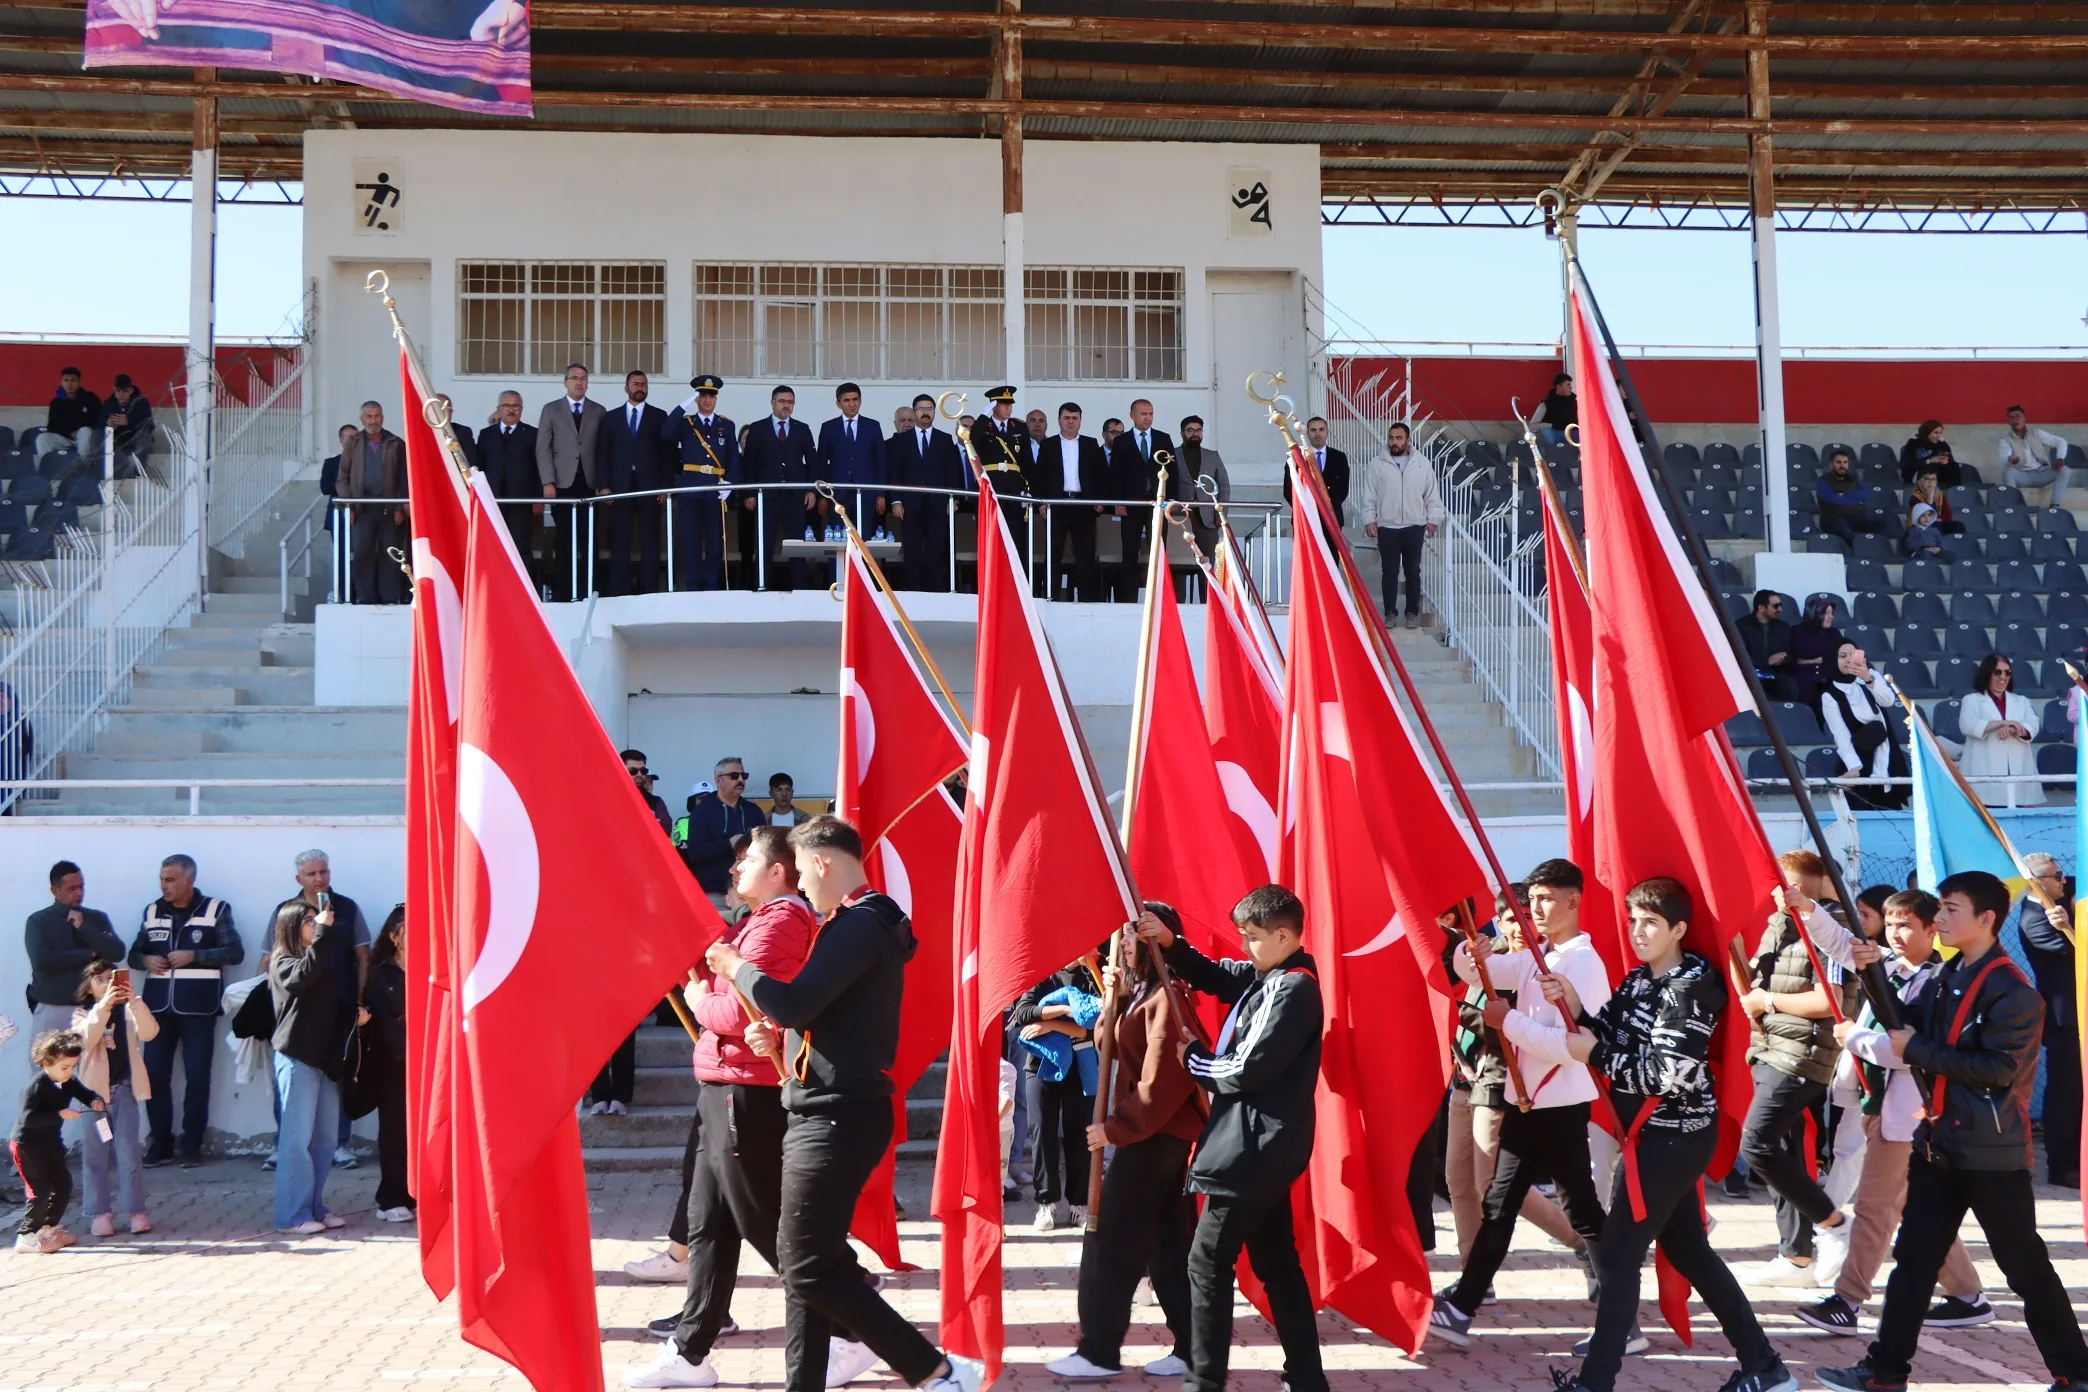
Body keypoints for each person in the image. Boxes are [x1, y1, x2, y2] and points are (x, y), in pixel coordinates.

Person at [702, 816, 984, 1392]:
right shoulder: (856, 923)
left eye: (803, 872)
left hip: (837, 1112)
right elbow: (824, 1016)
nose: (801, 886)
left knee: (804, 1263)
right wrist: (780, 1038)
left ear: (823, 863)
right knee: (812, 1262)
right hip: (827, 1103)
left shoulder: (859, 925)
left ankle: (931, 1369)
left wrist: (736, 969)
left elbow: (797, 1000)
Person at [1819, 871, 2088, 1392]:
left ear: (1986, 919)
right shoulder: (1945, 976)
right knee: (1914, 1262)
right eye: (1938, 909)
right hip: (1939, 1143)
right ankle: (1884, 1371)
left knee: (2025, 1268)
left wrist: (1911, 1048)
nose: (1938, 919)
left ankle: (2077, 1373)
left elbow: (1995, 1069)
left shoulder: (2013, 991)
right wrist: (1875, 975)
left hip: (1991, 1152)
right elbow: (1905, 1019)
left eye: (1949, 909)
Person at [1537, 879, 1798, 1392]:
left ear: (1678, 929)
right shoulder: (1639, 980)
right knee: (1690, 1253)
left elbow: (1665, 1073)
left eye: (1651, 922)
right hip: (1650, 1137)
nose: (1638, 932)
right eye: (1633, 920)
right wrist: (1576, 1006)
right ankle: (1765, 1367)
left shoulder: (1692, 986)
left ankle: (1596, 1382)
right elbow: (1608, 1032)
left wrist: (1595, 1055)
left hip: (1673, 1138)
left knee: (1616, 1254)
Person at [624, 827, 821, 1389]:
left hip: (750, 1089)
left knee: (764, 1221)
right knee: (708, 1223)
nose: (735, 870)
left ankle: (850, 1321)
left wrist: (695, 999)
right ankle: (691, 1353)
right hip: (724, 1083)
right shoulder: (755, 921)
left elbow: (740, 1011)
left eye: (748, 861)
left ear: (779, 871)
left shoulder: (782, 921)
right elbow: (718, 971)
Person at [1131, 886, 1327, 1392]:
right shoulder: (1269, 975)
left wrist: (1195, 1060)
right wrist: (1169, 941)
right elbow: (1215, 974)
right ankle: (1306, 1377)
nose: (1245, 946)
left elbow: (1249, 1067)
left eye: (1253, 937)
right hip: (1257, 1145)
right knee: (1276, 1263)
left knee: (1206, 1264)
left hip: (1252, 1149)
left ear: (1284, 936)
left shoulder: (1293, 987)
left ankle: (1203, 1380)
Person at [1786, 888, 1992, 1336]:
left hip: (1909, 1112)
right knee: (1911, 1207)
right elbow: (1842, 943)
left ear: (1930, 929)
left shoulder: (1936, 982)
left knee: (1875, 1207)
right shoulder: (1891, 966)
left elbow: (1909, 1051)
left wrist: (1853, 1039)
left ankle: (1847, 1299)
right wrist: (1808, 910)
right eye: (1891, 924)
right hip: (1880, 1104)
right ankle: (1967, 1295)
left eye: (1906, 926)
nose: (1895, 934)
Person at [1431, 860, 1611, 1351]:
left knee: (1583, 1211)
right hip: (1527, 1104)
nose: (1536, 907)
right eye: (1531, 898)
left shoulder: (1582, 962)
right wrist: (1475, 951)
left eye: (1548, 897)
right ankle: (1463, 1304)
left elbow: (1578, 1045)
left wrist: (1507, 1021)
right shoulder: (1539, 953)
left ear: (1574, 901)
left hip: (1560, 1104)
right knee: (1500, 1204)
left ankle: (1621, 1319)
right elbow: (1478, 971)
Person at [1044, 904, 1199, 1382]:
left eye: (1134, 934)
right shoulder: (1142, 993)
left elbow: (1164, 1079)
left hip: (1156, 1134)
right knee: (1169, 1242)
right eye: (1123, 935)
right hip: (1155, 1133)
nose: (1126, 943)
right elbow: (1107, 1041)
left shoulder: (1169, 995)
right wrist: (1111, 999)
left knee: (1111, 1233)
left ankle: (1099, 1350)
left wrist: (1116, 1128)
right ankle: (1194, 1346)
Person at [1441, 891, 1586, 1266]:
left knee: (1494, 1183)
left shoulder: (1543, 964)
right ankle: (1472, 1269)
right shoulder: (1485, 955)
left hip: (1503, 1081)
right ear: (1498, 922)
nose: (1520, 928)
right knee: (1459, 1181)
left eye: (1528, 917)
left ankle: (1581, 1240)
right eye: (1511, 919)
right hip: (1465, 1076)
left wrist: (1456, 1011)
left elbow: (1507, 1025)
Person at [1739, 850, 1854, 1288]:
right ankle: (1795, 1254)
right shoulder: (1778, 923)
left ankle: (1833, 1224)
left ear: (1799, 889)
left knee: (1758, 1144)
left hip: (1802, 1056)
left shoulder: (1832, 929)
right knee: (1782, 1154)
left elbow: (1831, 1001)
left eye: (1778, 884)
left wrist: (1767, 1001)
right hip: (1771, 1048)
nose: (1770, 893)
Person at [129, 853, 242, 1169]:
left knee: (196, 1076)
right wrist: (145, 961)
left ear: (190, 881)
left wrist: (195, 955)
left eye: (171, 879)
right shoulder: (152, 911)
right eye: (162, 878)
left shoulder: (216, 909)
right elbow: (134, 953)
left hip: (199, 1007)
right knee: (153, 1076)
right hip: (157, 1010)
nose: (164, 885)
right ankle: (160, 1143)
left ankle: (192, 1144)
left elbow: (234, 952)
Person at [267, 898, 362, 1235]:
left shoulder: (320, 962)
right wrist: (323, 931)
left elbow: (332, 1001)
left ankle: (314, 1208)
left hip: (323, 1063)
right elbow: (302, 977)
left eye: (316, 920)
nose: (316, 924)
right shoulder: (283, 963)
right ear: (292, 927)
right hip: (297, 1060)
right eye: (308, 920)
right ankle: (292, 1216)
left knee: (323, 1142)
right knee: (296, 1141)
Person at [274, 849, 372, 1167]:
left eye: (323, 872)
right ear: (298, 878)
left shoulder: (346, 908)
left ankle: (339, 1144)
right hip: (298, 1014)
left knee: (337, 1074)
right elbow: (271, 957)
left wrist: (359, 998)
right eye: (312, 873)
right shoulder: (287, 912)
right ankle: (283, 1146)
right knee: (293, 1080)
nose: (319, 879)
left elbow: (362, 957)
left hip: (340, 1007)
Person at [1009, 957, 1101, 1231]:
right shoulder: (1042, 972)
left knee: (1080, 1134)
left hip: (1081, 1065)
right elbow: (1023, 1013)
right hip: (1040, 1065)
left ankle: (1078, 1205)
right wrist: (1063, 1008)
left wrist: (1050, 1024)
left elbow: (1092, 1024)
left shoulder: (1090, 976)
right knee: (1042, 1132)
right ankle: (1046, 1203)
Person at [73, 959, 157, 1237]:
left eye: (112, 979)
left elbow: (150, 1032)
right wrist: (104, 1006)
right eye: (100, 981)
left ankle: (136, 1211)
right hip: (93, 1097)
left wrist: (135, 1002)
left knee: (129, 1153)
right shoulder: (82, 1013)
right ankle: (100, 1213)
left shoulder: (128, 1013)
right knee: (96, 1156)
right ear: (88, 988)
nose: (108, 986)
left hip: (124, 1091)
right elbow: (85, 1039)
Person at [2017, 853, 2079, 1188]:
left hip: (2076, 1015)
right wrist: (2068, 923)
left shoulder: (2055, 912)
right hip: (2063, 1018)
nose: (2064, 881)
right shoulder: (2035, 919)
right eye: (2057, 876)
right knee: (2065, 1094)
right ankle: (2062, 1165)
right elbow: (2076, 949)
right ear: (2038, 882)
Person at [11, 1030, 102, 1253]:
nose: (70, 1072)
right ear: (46, 1062)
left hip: (50, 1141)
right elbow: (28, 1119)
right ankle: (26, 1236)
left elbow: (83, 1092)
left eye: (73, 1066)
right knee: (39, 1189)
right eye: (65, 1067)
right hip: (28, 1145)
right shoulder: (36, 1087)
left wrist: (95, 1100)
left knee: (63, 1184)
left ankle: (48, 1229)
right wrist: (60, 1114)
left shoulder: (67, 1080)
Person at [1355, 422, 1445, 629]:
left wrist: (1433, 519)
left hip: (1414, 526)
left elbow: (1432, 495)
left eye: (1399, 438)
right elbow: (1369, 496)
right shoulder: (1377, 464)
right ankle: (1390, 613)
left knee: (1413, 571)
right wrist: (1369, 520)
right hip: (1387, 526)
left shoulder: (1422, 464)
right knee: (1389, 572)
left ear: (1408, 440)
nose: (1394, 442)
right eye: (1391, 438)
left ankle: (1412, 612)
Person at [26, 859, 126, 1036]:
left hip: (93, 1011)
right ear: (55, 891)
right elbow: (43, 961)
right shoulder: (39, 921)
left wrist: (83, 928)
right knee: (46, 1063)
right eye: (72, 889)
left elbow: (117, 952)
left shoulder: (96, 919)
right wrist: (90, 953)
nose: (79, 893)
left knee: (95, 1063)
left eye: (81, 887)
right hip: (53, 1008)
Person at [597, 369, 672, 597]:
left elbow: (667, 455)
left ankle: (649, 587)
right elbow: (603, 453)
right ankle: (621, 588)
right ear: (626, 388)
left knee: (650, 538)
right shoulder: (610, 418)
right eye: (636, 383)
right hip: (619, 486)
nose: (640, 387)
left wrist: (665, 486)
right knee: (620, 538)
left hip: (650, 486)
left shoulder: (660, 417)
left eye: (644, 384)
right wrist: (604, 485)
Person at [740, 385, 821, 591]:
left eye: (790, 402)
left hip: (795, 497)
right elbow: (749, 464)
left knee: (797, 545)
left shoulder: (802, 428)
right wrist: (749, 492)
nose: (786, 406)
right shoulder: (758, 428)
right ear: (773, 403)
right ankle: (761, 587)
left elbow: (813, 462)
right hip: (766, 496)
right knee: (764, 544)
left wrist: (811, 489)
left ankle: (800, 589)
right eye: (782, 401)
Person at [536, 363, 606, 601]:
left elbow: (604, 449)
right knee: (564, 540)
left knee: (589, 540)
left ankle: (590, 591)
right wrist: (548, 481)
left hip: (590, 484)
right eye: (574, 378)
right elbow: (542, 448)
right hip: (562, 485)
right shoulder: (551, 410)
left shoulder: (599, 410)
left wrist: (603, 481)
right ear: (565, 382)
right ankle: (563, 592)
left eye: (583, 378)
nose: (579, 382)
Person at [663, 376, 739, 592]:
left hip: (715, 489)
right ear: (697, 399)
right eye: (703, 396)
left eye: (711, 396)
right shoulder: (686, 424)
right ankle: (693, 585)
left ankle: (711, 584)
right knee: (691, 541)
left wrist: (730, 483)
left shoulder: (727, 425)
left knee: (716, 542)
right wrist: (681, 407)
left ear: (716, 399)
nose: (707, 400)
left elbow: (734, 457)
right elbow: (666, 433)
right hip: (691, 488)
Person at [887, 394, 964, 592]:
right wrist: (895, 500)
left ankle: (935, 595)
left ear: (934, 413)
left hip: (938, 505)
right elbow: (895, 471)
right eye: (921, 408)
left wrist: (952, 499)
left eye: (929, 409)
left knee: (935, 553)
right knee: (911, 552)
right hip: (910, 506)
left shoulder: (944, 440)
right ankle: (912, 595)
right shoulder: (901, 440)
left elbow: (953, 472)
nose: (925, 412)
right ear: (914, 412)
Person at [366, 905, 414, 1222]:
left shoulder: (434, 969)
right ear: (395, 937)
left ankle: (416, 1193)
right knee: (395, 1130)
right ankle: (391, 1197)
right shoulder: (381, 975)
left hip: (429, 1065)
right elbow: (381, 1023)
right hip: (395, 1063)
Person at [1820, 642, 1909, 811]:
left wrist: (1868, 679)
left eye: (1852, 654)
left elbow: (1888, 701)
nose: (1848, 660)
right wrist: (1854, 767)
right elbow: (1841, 734)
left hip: (1886, 754)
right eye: (1842, 656)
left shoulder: (1871, 676)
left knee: (1891, 810)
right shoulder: (1830, 695)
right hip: (1858, 759)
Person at [1035, 402, 1109, 603]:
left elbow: (1100, 475)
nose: (1070, 422)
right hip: (1056, 505)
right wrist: (1041, 502)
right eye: (1067, 418)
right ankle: (1050, 596)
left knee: (1085, 554)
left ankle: (1085, 599)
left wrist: (1099, 500)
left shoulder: (1090, 444)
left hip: (1083, 505)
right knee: (1053, 553)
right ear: (1059, 420)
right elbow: (1040, 476)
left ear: (1080, 420)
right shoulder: (1048, 445)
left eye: (1074, 418)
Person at [1105, 400, 1174, 604]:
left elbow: (1173, 472)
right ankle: (1129, 598)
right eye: (1143, 414)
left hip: (1157, 504)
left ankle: (1159, 597)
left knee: (1158, 549)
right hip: (1131, 505)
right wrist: (1118, 502)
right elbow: (1115, 475)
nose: (1148, 418)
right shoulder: (1122, 441)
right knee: (1130, 551)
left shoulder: (1163, 438)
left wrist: (1170, 502)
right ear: (1132, 415)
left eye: (1151, 413)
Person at [340, 400, 407, 605]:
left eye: (377, 416)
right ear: (362, 418)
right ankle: (365, 595)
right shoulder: (353, 443)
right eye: (369, 416)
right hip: (362, 508)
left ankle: (389, 596)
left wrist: (399, 507)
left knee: (390, 553)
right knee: (362, 552)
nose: (373, 420)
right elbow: (343, 476)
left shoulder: (395, 442)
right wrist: (349, 505)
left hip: (388, 507)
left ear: (383, 417)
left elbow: (403, 478)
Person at [1958, 652, 2043, 807]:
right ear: (1986, 673)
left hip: (2018, 773)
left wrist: (2013, 729)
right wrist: (2003, 723)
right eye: (1997, 672)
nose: (2003, 677)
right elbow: (1967, 725)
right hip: (1983, 775)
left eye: (2007, 672)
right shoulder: (1971, 700)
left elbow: (2033, 725)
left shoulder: (2021, 701)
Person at [475, 391, 541, 579]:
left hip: (521, 500)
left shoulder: (531, 434)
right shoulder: (486, 435)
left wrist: (538, 498)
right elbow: (480, 466)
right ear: (498, 409)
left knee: (520, 545)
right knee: (493, 545)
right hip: (493, 500)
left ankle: (523, 588)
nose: (511, 410)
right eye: (507, 406)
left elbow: (538, 468)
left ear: (521, 410)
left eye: (516, 406)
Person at [682, 757, 765, 905]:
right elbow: (695, 853)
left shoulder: (753, 811)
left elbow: (765, 847)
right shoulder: (702, 811)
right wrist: (729, 844)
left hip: (749, 892)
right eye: (734, 776)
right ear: (718, 780)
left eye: (743, 776)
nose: (740, 780)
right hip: (715, 891)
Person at [817, 383, 888, 542]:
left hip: (865, 493)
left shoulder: (873, 426)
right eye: (847, 400)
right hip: (836, 495)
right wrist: (822, 496)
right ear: (838, 403)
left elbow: (881, 461)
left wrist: (881, 494)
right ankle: (837, 568)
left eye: (855, 399)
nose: (852, 404)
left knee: (864, 539)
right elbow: (821, 462)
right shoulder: (828, 427)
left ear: (860, 401)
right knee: (836, 539)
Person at [1170, 415, 1230, 562]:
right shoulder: (1171, 455)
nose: (1195, 434)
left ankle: (1207, 587)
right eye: (1190, 430)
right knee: (1179, 563)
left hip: (1207, 519)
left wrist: (1220, 515)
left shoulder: (1213, 456)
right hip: (1180, 518)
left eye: (1199, 430)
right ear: (1182, 433)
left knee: (1208, 563)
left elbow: (1224, 486)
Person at [1997, 403, 2073, 506]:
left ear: (2025, 419)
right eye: (2011, 418)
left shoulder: (2037, 433)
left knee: (2065, 470)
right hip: (2021, 476)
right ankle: (2014, 506)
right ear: (2009, 422)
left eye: (2018, 416)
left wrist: (2060, 458)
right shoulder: (2006, 441)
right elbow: (2003, 458)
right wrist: (2010, 460)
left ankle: (2055, 504)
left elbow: (2060, 441)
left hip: (2042, 473)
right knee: (2008, 472)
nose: (2015, 419)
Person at [1281, 417, 1350, 528]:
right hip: (1305, 520)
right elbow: (1288, 490)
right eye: (1313, 430)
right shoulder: (1297, 458)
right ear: (1307, 433)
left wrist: (1327, 506)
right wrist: (1306, 507)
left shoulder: (1339, 457)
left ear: (1327, 432)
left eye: (1321, 429)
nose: (1317, 433)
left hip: (1332, 520)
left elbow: (1343, 489)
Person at [1816, 448, 1882, 550]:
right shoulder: (1823, 480)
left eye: (1845, 462)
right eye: (1838, 462)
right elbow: (1833, 498)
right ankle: (1861, 552)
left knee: (1880, 522)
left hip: (1855, 516)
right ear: (1831, 465)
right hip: (1834, 518)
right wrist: (1855, 499)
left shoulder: (1853, 479)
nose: (1842, 465)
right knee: (1845, 531)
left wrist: (1845, 494)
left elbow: (1866, 495)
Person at [1788, 593, 1845, 707]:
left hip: (1828, 674)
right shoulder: (1797, 631)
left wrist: (1810, 660)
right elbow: (1799, 652)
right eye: (1826, 613)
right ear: (1814, 614)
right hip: (1803, 676)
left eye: (1831, 613)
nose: (1831, 617)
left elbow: (1840, 655)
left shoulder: (1834, 633)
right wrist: (1822, 658)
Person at [1740, 591, 1796, 700]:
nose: (1780, 610)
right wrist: (1767, 661)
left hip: (1776, 673)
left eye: (1780, 605)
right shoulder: (1742, 625)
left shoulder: (1782, 627)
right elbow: (1740, 656)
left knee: (1790, 686)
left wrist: (1782, 659)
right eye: (1775, 606)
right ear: (1761, 608)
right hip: (1750, 673)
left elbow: (1789, 653)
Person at [40, 365, 100, 459]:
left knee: (85, 431)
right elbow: (52, 426)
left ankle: (83, 465)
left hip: (84, 438)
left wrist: (78, 431)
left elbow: (98, 420)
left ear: (79, 382)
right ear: (61, 382)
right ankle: (47, 466)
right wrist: (68, 433)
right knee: (42, 438)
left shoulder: (90, 398)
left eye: (73, 380)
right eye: (66, 380)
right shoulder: (56, 402)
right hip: (65, 439)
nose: (69, 384)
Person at [100, 374, 155, 474]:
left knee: (144, 436)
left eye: (124, 391)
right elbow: (99, 425)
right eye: (118, 391)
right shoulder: (109, 403)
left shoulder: (141, 402)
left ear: (131, 390)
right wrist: (109, 425)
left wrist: (129, 422)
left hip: (137, 440)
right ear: (114, 390)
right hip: (119, 442)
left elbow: (149, 426)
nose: (121, 395)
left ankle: (139, 474)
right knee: (104, 439)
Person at [1898, 419, 1959, 487]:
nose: (1939, 436)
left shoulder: (1942, 444)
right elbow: (1908, 466)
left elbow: (1950, 459)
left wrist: (1946, 461)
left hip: (1937, 473)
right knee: (1932, 466)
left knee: (1954, 466)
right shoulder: (1913, 444)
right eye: (1936, 433)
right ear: (1927, 432)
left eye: (1940, 433)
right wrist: (1929, 461)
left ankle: (1954, 491)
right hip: (1917, 473)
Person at [1906, 467, 1962, 536]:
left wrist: (1940, 520)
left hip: (1938, 523)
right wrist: (1930, 498)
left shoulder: (1939, 494)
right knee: (1935, 526)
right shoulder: (1914, 498)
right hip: (1920, 528)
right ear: (1920, 483)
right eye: (1926, 479)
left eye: (1933, 479)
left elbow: (1948, 515)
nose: (1930, 482)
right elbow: (1926, 519)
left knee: (1958, 526)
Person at [1533, 372, 1577, 447]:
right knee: (1546, 431)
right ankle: (1553, 453)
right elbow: (1532, 426)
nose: (1571, 387)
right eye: (1568, 384)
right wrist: (1551, 425)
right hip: (1554, 434)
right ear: (1559, 386)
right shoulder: (1546, 404)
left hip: (1572, 433)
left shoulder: (1575, 402)